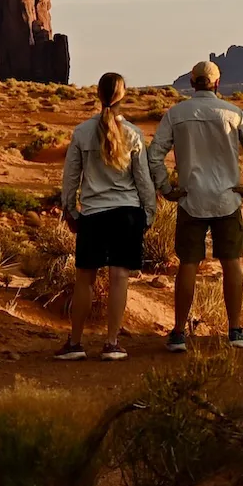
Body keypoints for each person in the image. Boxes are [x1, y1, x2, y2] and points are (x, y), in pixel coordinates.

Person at [147, 59, 243, 352]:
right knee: (232, 264)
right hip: (227, 199)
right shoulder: (232, 113)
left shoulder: (176, 114)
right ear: (217, 83)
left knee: (188, 264)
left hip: (191, 199)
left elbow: (155, 155)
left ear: (192, 83)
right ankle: (235, 330)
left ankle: (178, 333)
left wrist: (166, 188)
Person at [57, 71, 156, 361]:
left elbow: (70, 177)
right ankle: (112, 343)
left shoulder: (82, 132)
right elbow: (143, 180)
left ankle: (75, 343)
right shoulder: (134, 134)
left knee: (84, 279)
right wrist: (148, 213)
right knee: (119, 277)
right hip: (127, 214)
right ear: (123, 96)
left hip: (93, 214)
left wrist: (71, 210)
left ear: (98, 94)